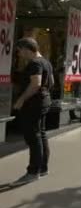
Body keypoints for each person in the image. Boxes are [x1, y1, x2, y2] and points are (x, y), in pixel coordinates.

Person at [11, 38, 54, 185]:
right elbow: (52, 82)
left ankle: (33, 171)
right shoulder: (46, 62)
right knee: (40, 134)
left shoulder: (35, 63)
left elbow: (35, 84)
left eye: (20, 51)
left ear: (27, 49)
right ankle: (43, 168)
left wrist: (21, 99)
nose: (19, 54)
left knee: (33, 137)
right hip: (43, 101)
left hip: (33, 105)